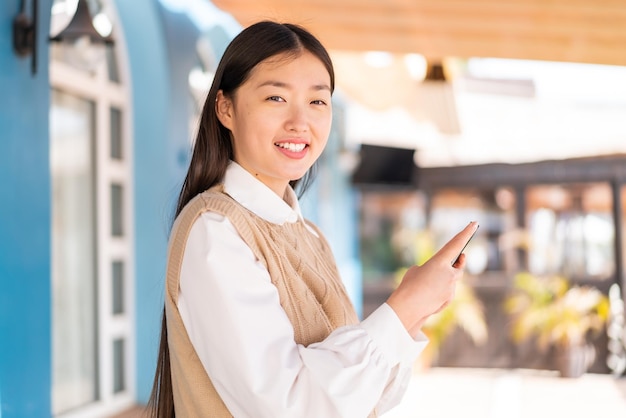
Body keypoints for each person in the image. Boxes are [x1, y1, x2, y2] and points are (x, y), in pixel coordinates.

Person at [147, 20, 478, 418]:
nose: (299, 122)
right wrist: (403, 308)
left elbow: (367, 398)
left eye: (318, 102)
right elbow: (289, 406)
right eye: (275, 98)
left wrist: (418, 309)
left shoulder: (310, 236)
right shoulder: (214, 231)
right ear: (225, 108)